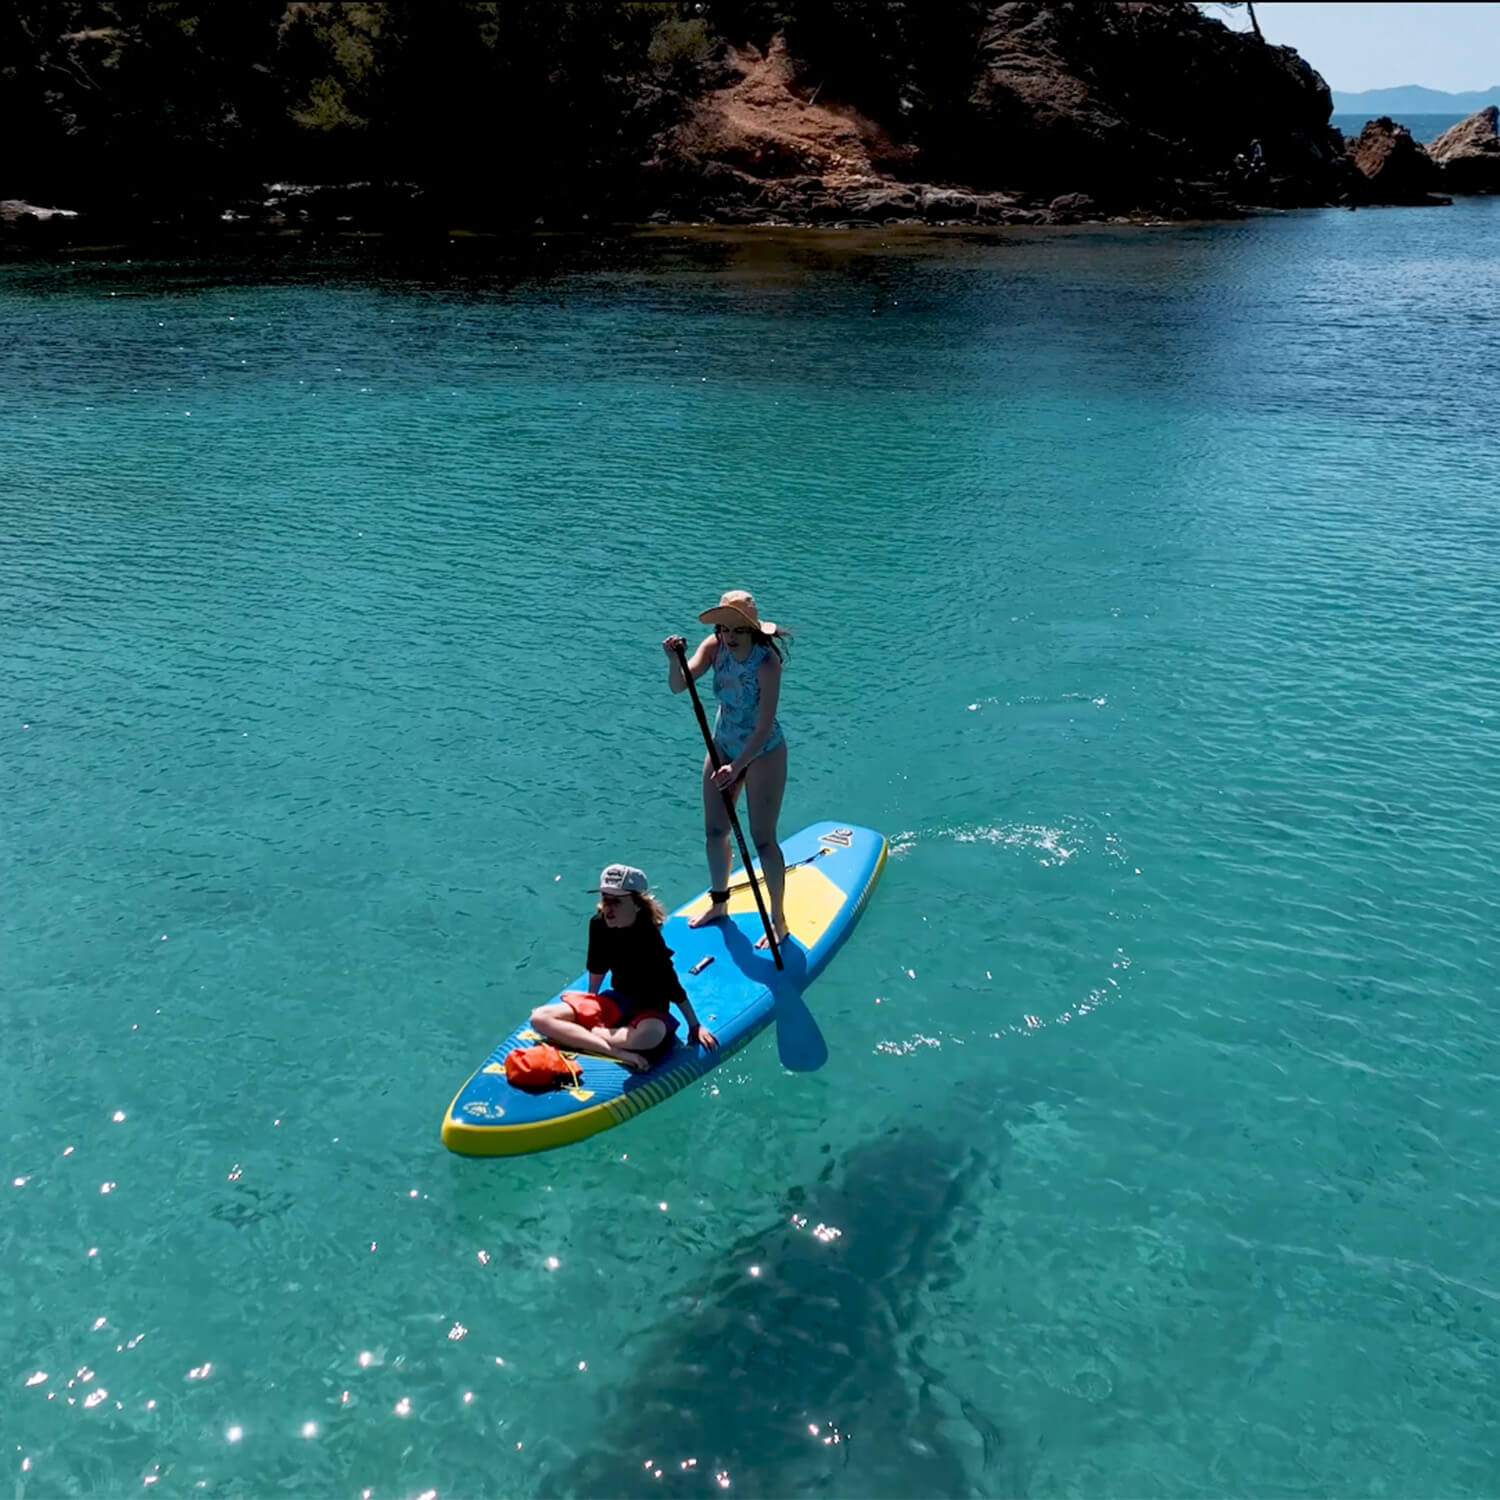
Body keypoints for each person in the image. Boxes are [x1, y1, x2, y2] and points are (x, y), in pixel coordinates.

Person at [663, 589, 789, 949]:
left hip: (763, 751)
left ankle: (778, 919)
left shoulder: (767, 663)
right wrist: (674, 659)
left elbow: (764, 724)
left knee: (763, 840)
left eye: (737, 630)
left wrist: (738, 767)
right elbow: (678, 686)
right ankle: (720, 903)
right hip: (722, 746)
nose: (729, 637)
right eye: (723, 628)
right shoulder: (714, 647)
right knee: (715, 830)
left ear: (752, 631)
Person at [530, 864, 718, 1072]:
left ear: (638, 904)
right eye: (604, 899)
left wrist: (694, 1025)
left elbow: (670, 984)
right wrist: (590, 1003)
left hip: (649, 1008)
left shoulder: (648, 938)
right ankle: (613, 1050)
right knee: (539, 1017)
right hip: (617, 1001)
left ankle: (588, 1036)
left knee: (651, 1035)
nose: (608, 908)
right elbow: (597, 965)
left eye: (616, 902)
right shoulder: (599, 924)